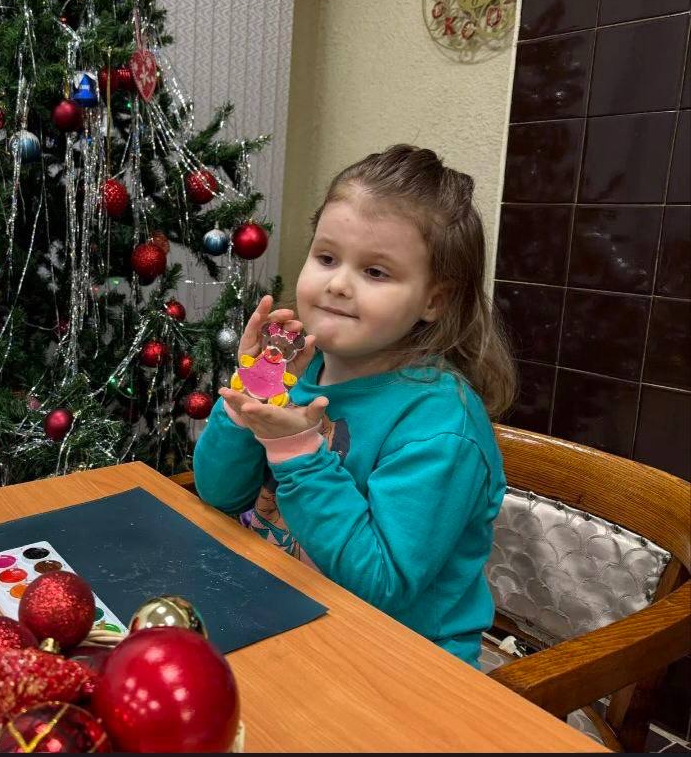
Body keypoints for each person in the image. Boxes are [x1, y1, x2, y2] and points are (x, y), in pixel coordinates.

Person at [193, 144, 516, 666]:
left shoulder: (440, 427)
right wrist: (250, 396)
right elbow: (219, 495)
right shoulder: (299, 366)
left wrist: (296, 450)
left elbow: (380, 587)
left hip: (400, 662)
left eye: (376, 272)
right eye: (326, 258)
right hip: (284, 611)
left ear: (434, 300)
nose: (338, 284)